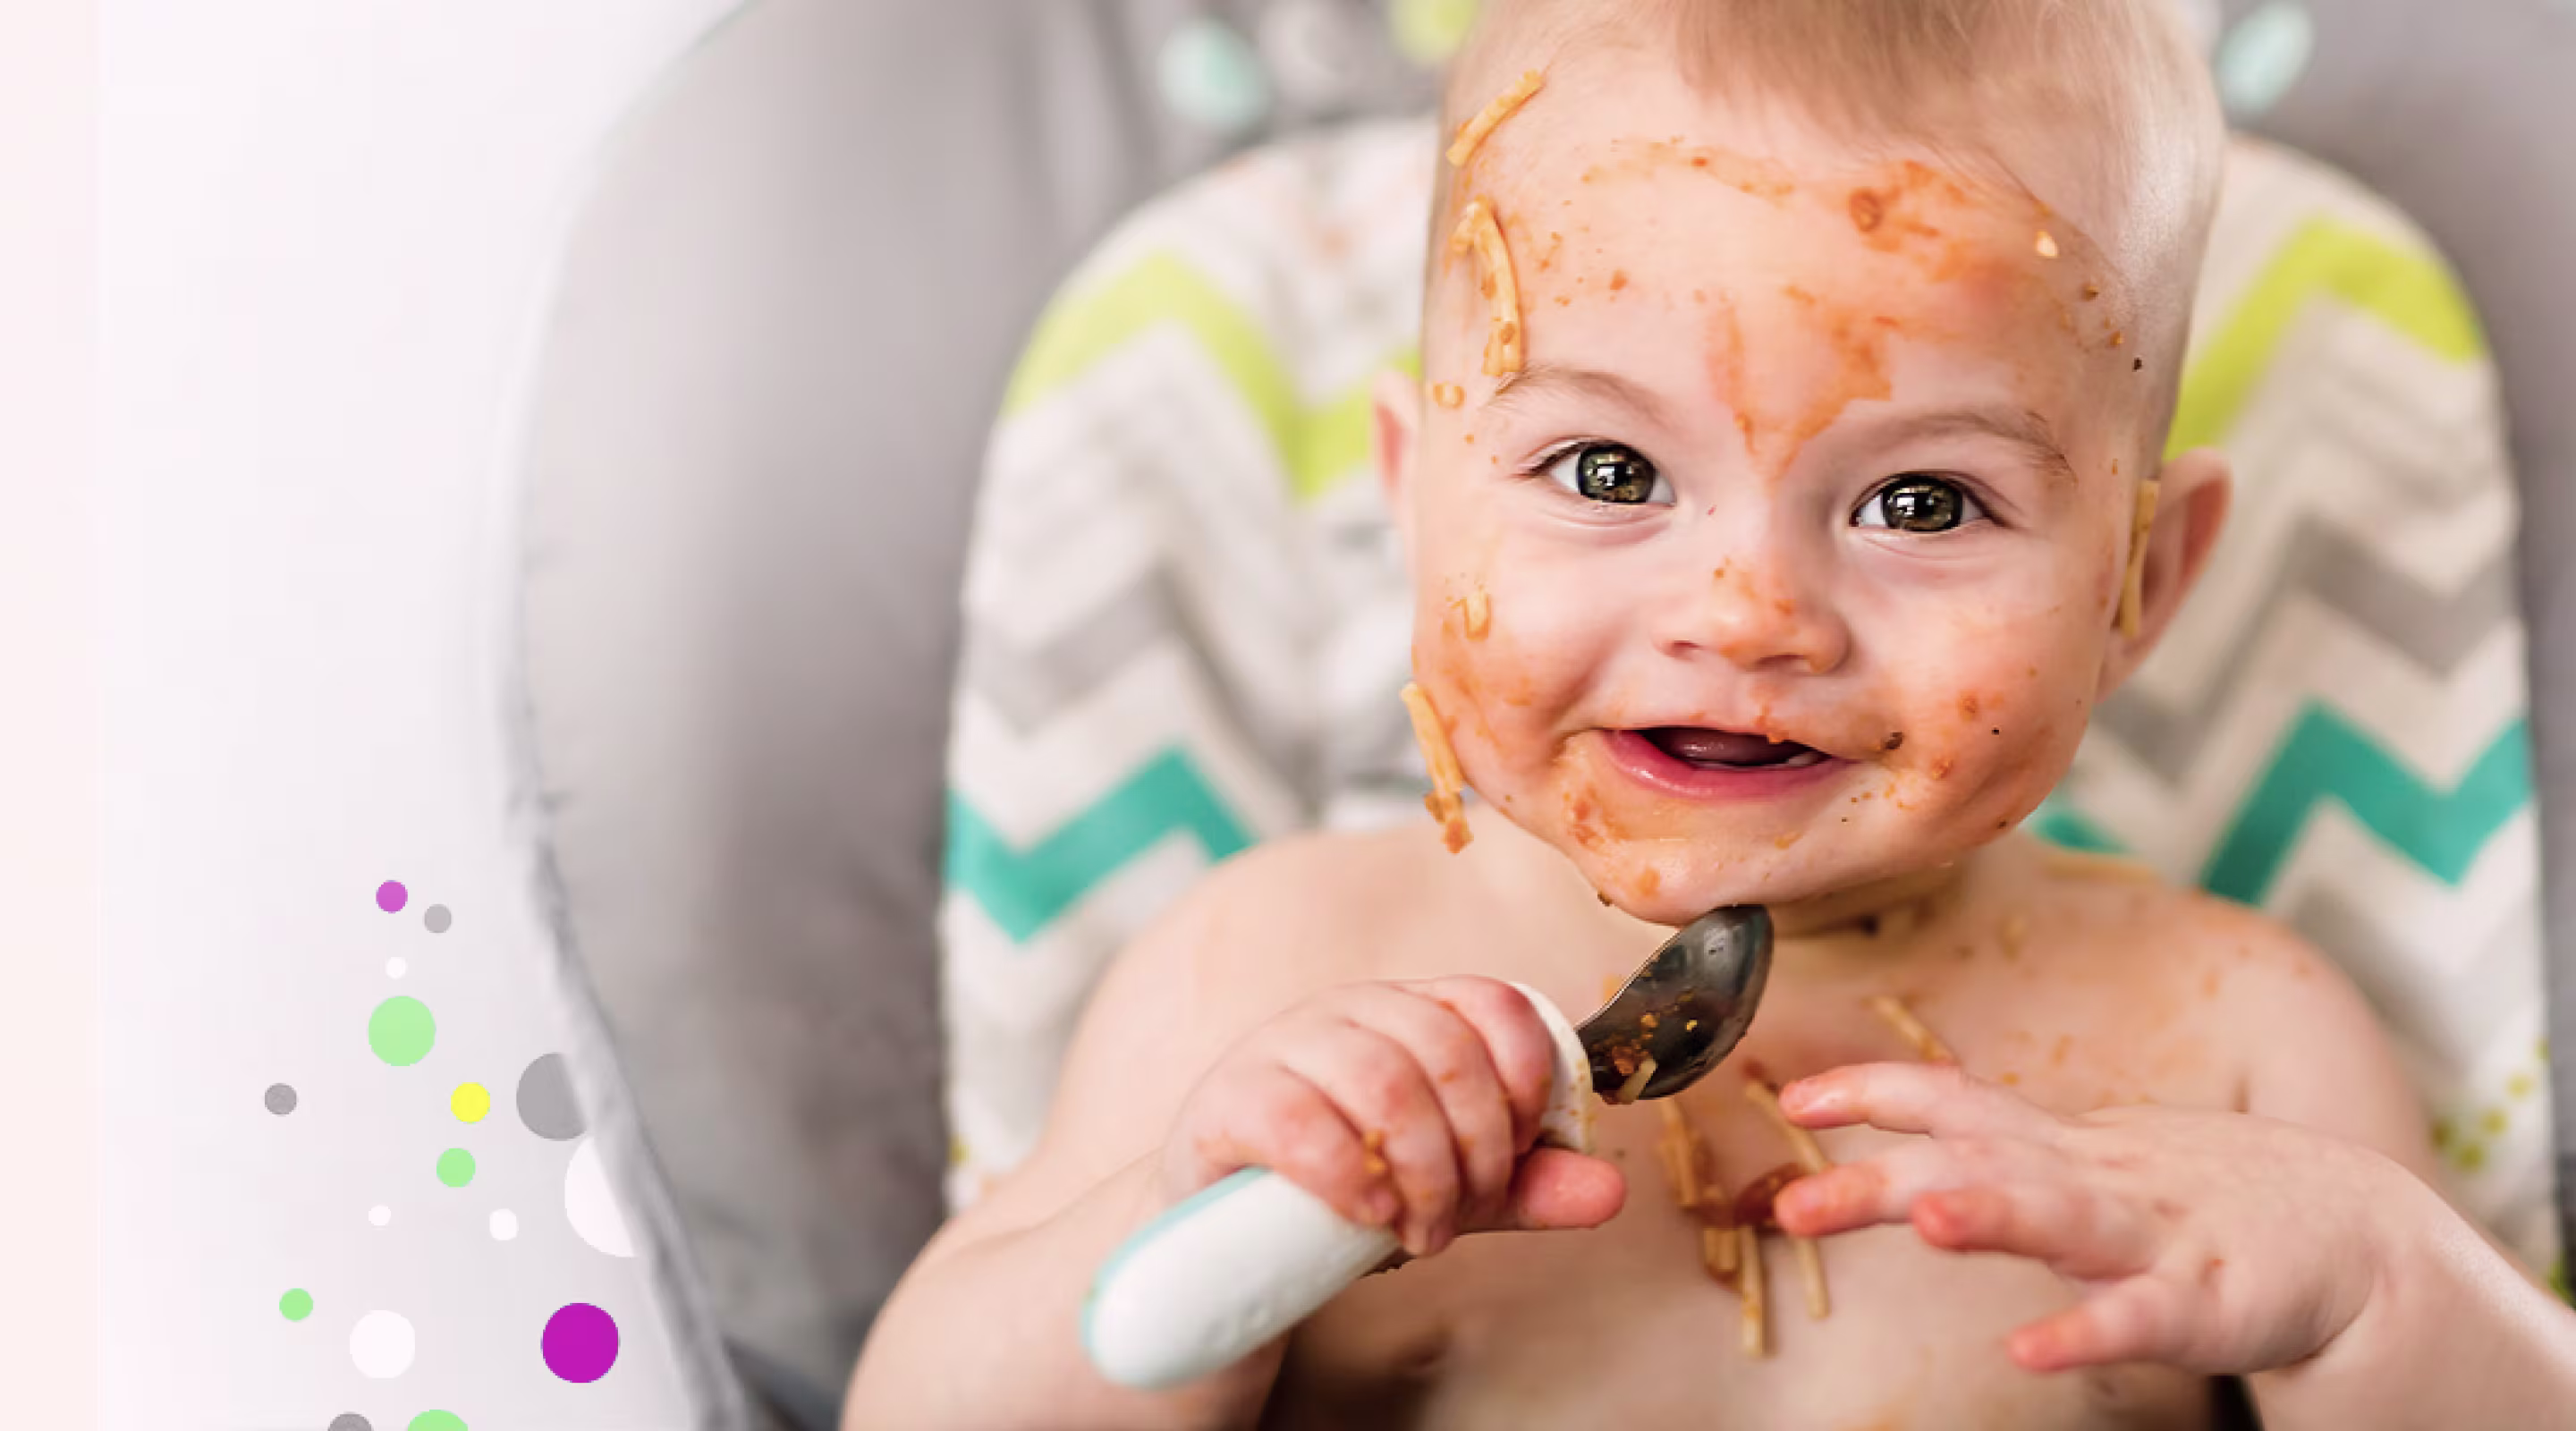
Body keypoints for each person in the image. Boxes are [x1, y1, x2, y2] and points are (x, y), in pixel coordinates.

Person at [849, 1, 2576, 1424]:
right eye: (1608, 469)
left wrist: (2377, 1294)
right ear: (1413, 496)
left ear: (2136, 588)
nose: (1747, 616)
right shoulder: (1269, 976)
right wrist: (1191, 1212)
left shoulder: (2238, 1044)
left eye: (1920, 504)